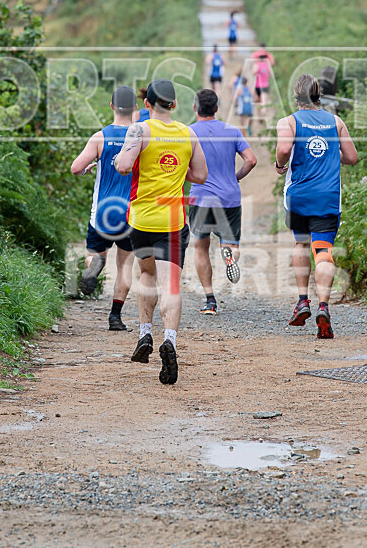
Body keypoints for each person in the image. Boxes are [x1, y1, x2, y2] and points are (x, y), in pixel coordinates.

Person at [115, 79, 207, 384]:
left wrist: (117, 158)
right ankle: (170, 340)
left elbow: (125, 165)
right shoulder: (188, 132)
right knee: (171, 284)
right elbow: (201, 176)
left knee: (147, 276)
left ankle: (144, 334)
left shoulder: (140, 129)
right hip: (173, 221)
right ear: (175, 105)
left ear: (146, 105)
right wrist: (179, 171)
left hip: (141, 221)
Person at [275, 74, 358, 339]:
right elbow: (352, 157)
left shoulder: (288, 122)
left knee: (300, 245)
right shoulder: (336, 122)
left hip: (299, 196)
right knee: (323, 251)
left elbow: (284, 150)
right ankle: (324, 306)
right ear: (318, 94)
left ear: (296, 96)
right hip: (328, 197)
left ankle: (302, 301)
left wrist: (279, 165)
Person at [70, 86, 137, 331]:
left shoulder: (100, 137)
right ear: (135, 109)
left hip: (101, 213)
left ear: (111, 106)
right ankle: (115, 317)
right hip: (130, 213)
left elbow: (76, 168)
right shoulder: (140, 138)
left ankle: (94, 265)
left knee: (96, 254)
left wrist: (95, 163)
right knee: (125, 266)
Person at [189, 89, 257, 314]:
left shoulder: (188, 133)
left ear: (195, 108)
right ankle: (230, 256)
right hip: (228, 197)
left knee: (200, 247)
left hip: (200, 197)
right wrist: (235, 177)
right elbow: (251, 160)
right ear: (217, 108)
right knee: (231, 244)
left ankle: (210, 300)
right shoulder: (232, 131)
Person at [253, 52, 273, 121]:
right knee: (263, 102)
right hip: (265, 86)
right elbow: (271, 75)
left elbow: (253, 72)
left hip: (257, 86)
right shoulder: (268, 65)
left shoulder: (257, 65)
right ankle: (262, 115)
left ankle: (260, 116)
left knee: (258, 102)